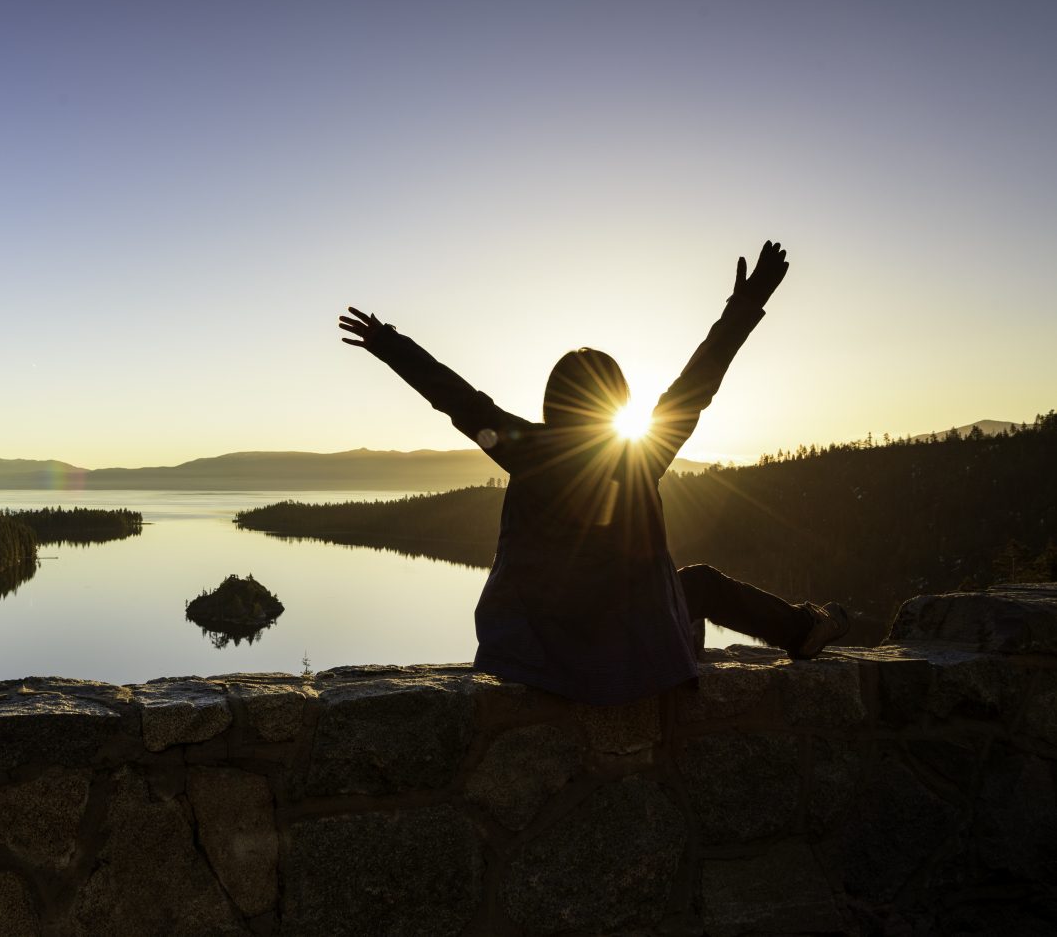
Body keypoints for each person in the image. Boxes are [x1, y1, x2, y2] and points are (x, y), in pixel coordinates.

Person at [337, 240, 849, 705]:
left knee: (690, 585)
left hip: (539, 647)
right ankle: (804, 629)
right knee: (702, 585)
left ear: (553, 401)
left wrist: (388, 343)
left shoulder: (531, 450)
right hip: (621, 653)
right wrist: (743, 306)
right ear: (616, 402)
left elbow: (457, 398)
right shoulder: (642, 455)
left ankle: (784, 631)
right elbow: (699, 382)